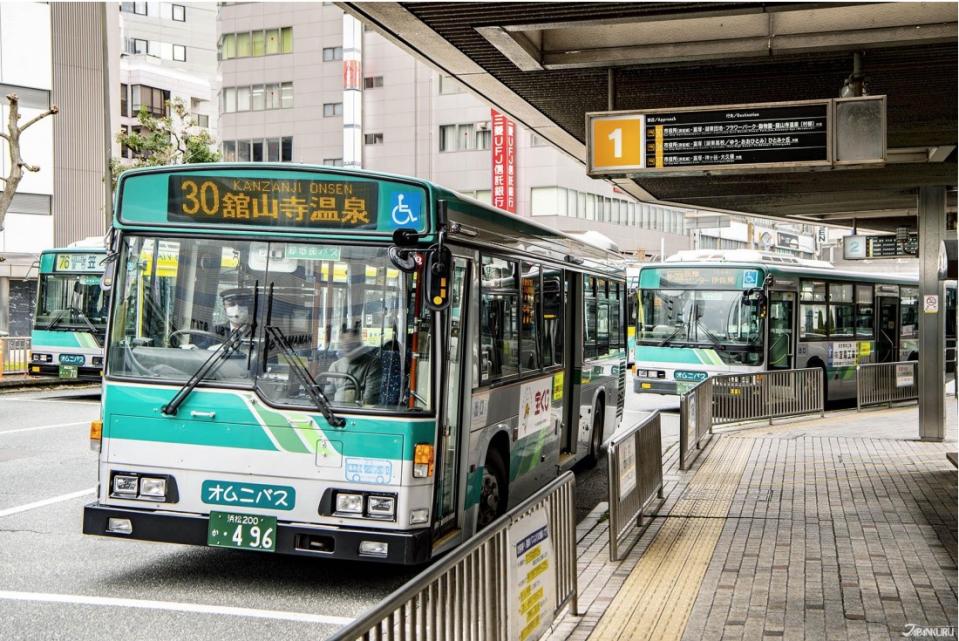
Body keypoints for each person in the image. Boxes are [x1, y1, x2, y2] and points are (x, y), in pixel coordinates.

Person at [325, 327, 382, 405]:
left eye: (351, 345)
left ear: (359, 346)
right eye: (345, 346)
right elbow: (328, 396)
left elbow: (370, 399)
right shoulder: (335, 366)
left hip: (358, 411)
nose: (347, 349)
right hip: (336, 410)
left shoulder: (373, 364)